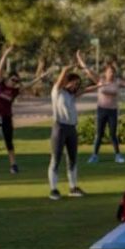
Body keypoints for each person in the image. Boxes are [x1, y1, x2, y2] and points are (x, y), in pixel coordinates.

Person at [0, 44, 47, 174]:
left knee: (8, 142)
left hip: (6, 117)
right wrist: (6, 53)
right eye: (13, 79)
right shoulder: (0, 83)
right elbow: (0, 68)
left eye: (17, 81)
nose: (14, 82)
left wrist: (40, 78)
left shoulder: (15, 90)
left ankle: (13, 165)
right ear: (8, 78)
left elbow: (29, 85)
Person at [78, 53, 125, 164]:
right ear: (105, 72)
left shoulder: (117, 82)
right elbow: (88, 71)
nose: (112, 74)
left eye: (113, 72)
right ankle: (94, 156)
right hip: (101, 111)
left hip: (112, 112)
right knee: (99, 134)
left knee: (113, 134)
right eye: (110, 72)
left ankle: (118, 156)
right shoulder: (100, 81)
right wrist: (80, 59)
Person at [48, 64, 100, 201]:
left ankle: (73, 187)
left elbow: (89, 89)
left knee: (72, 159)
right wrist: (67, 68)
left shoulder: (72, 95)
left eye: (78, 84)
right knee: (56, 159)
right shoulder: (57, 91)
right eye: (74, 83)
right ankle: (53, 190)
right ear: (67, 81)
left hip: (71, 128)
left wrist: (100, 85)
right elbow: (60, 79)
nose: (76, 86)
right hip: (59, 128)